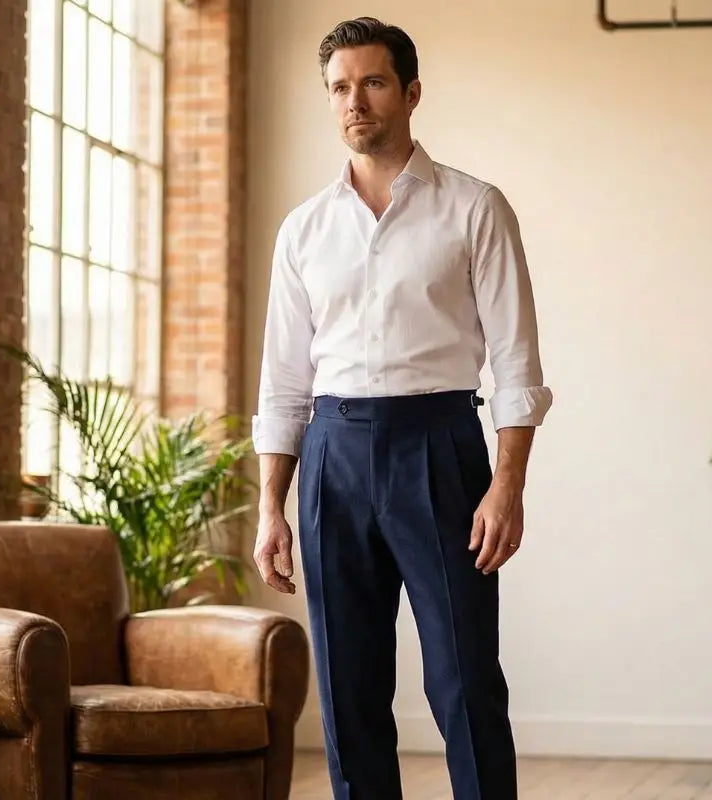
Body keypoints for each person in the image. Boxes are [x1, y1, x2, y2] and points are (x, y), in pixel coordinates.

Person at [251, 16, 552, 800]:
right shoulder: (304, 231)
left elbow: (518, 363)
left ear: (411, 92)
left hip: (441, 450)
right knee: (349, 696)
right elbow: (284, 379)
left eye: (374, 82)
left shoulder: (475, 208)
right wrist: (270, 505)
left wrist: (507, 484)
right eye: (340, 88)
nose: (356, 101)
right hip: (330, 459)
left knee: (463, 681)